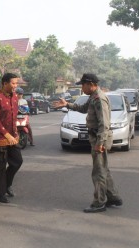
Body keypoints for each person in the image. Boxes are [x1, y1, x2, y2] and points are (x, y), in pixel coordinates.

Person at [53, 73, 123, 213]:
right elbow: (83, 108)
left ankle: (99, 202)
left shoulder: (99, 99)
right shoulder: (93, 97)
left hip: (99, 139)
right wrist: (67, 104)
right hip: (97, 138)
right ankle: (113, 197)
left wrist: (100, 142)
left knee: (98, 172)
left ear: (90, 84)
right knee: (103, 169)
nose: (82, 88)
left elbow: (104, 124)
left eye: (83, 85)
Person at [0, 73, 23, 203]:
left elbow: (14, 117)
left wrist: (15, 134)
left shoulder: (15, 97)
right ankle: (0, 193)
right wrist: (7, 135)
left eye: (16, 83)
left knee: (17, 161)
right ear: (5, 83)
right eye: (13, 83)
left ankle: (7, 184)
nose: (15, 86)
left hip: (13, 137)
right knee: (0, 166)